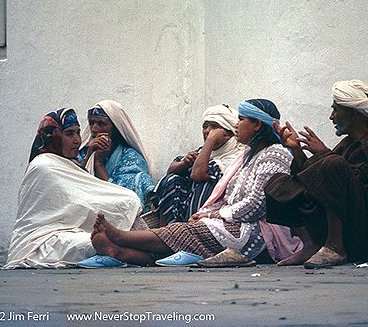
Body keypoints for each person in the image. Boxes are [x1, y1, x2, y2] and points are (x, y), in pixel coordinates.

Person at [86, 99, 302, 266]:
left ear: (257, 125)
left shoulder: (273, 154)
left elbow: (256, 205)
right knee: (187, 232)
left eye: (242, 120)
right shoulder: (246, 156)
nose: (237, 125)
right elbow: (228, 195)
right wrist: (209, 213)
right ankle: (118, 252)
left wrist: (214, 215)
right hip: (234, 221)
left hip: (259, 229)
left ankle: (121, 237)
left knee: (186, 233)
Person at [264, 80, 368, 268]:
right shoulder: (348, 143)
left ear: (353, 113)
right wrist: (297, 151)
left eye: (336, 110)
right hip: (352, 228)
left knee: (332, 163)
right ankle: (311, 244)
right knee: (278, 182)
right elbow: (317, 183)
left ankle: (336, 246)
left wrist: (324, 154)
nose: (331, 117)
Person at [4, 108, 147, 269]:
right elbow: (77, 201)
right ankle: (146, 254)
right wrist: (121, 202)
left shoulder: (66, 162)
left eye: (78, 133)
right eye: (69, 134)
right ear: (54, 137)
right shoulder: (43, 165)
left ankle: (140, 252)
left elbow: (83, 189)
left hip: (71, 230)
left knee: (104, 235)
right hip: (43, 238)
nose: (78, 140)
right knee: (88, 245)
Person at [150, 104, 245, 224]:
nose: (207, 131)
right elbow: (171, 170)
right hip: (187, 209)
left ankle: (191, 228)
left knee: (204, 183)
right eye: (205, 126)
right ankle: (166, 232)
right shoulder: (203, 151)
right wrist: (183, 164)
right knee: (172, 179)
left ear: (229, 133)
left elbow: (198, 174)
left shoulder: (236, 156)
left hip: (215, 214)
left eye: (214, 127)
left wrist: (210, 140)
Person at [78, 100, 154, 210]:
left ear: (115, 128)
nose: (94, 129)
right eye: (91, 123)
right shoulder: (83, 153)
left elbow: (123, 201)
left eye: (101, 123)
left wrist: (98, 163)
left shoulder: (131, 157)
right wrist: (89, 156)